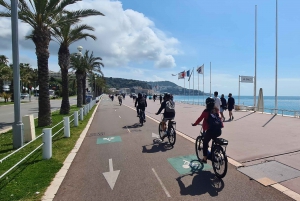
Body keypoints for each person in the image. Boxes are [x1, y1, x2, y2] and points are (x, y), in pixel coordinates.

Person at [192, 97, 223, 163]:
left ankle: (205, 158)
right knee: (214, 139)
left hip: (211, 131)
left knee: (205, 143)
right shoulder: (216, 110)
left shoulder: (206, 112)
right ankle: (216, 151)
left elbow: (200, 119)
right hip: (219, 130)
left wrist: (195, 124)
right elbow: (219, 119)